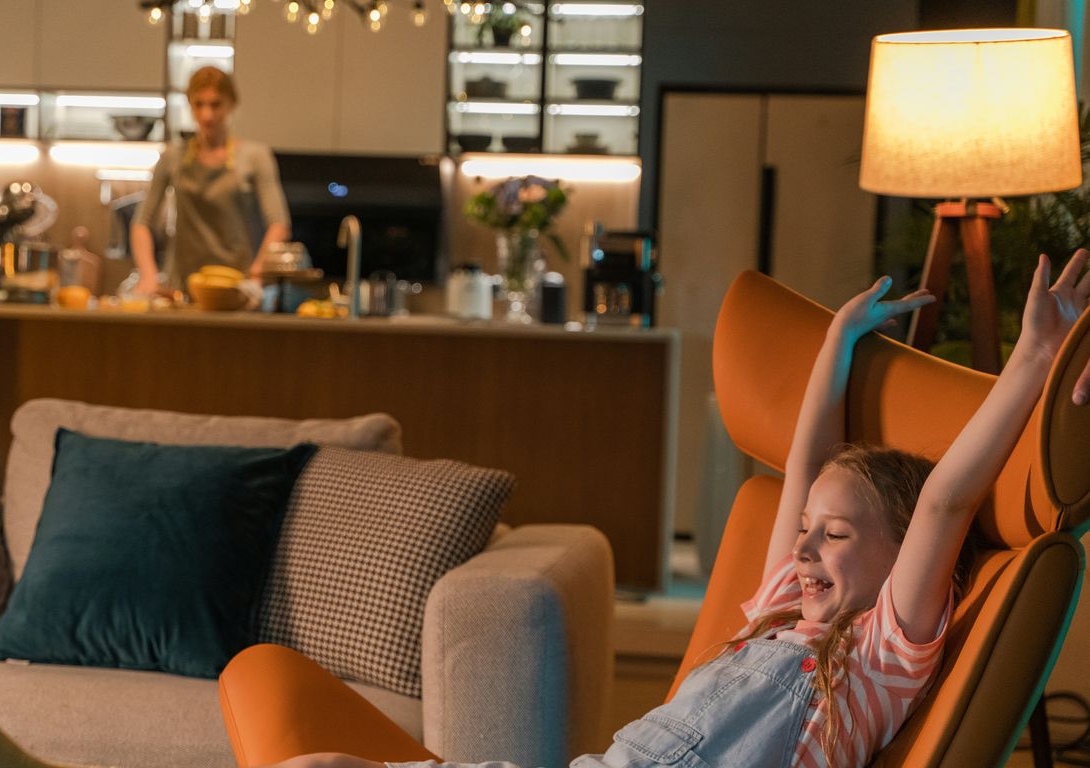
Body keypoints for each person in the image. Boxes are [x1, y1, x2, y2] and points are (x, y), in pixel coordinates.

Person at [261, 250, 1090, 768]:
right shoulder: (778, 616)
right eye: (804, 533)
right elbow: (800, 469)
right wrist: (835, 346)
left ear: (903, 552)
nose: (802, 551)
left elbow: (946, 501)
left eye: (834, 536)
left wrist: (1034, 358)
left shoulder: (882, 657)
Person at [130, 66, 291, 297]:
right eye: (199, 104)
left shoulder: (255, 157)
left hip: (237, 289)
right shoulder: (172, 157)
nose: (207, 115)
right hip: (182, 289)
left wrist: (257, 273)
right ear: (190, 106)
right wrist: (148, 274)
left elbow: (279, 224)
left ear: (231, 104)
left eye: (216, 104)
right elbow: (142, 222)